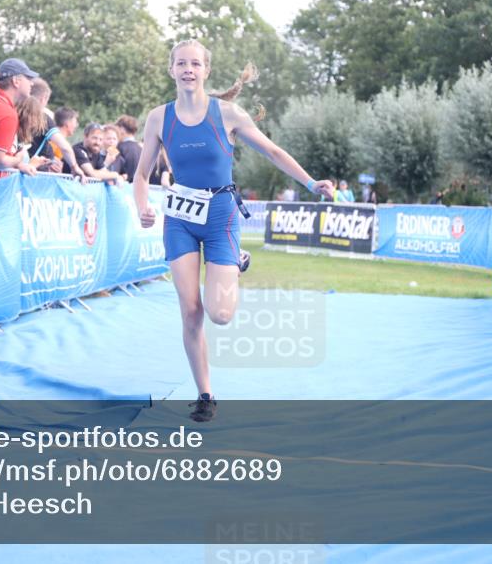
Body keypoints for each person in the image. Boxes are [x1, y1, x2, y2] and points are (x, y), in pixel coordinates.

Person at [133, 39, 333, 422]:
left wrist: (311, 183)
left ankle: (235, 259)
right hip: (180, 219)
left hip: (220, 214)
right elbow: (141, 174)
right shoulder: (159, 118)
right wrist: (141, 206)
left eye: (195, 63)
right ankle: (205, 393)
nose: (188, 69)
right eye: (181, 63)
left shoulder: (227, 114)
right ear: (171, 69)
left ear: (206, 70)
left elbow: (273, 152)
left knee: (220, 314)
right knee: (191, 312)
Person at [114, 115, 143, 183]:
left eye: (116, 129)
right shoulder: (142, 150)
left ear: (122, 129)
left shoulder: (117, 147)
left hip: (121, 187)